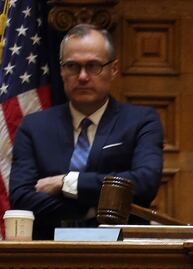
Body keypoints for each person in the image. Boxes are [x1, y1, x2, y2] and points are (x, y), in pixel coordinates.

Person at [9, 24, 163, 239]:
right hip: (48, 253)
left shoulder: (141, 121)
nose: (82, 76)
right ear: (61, 70)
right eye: (72, 66)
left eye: (93, 66)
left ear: (113, 69)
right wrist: (96, 209)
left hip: (121, 253)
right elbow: (22, 198)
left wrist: (67, 183)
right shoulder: (34, 127)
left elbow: (144, 183)